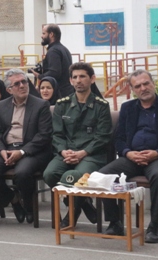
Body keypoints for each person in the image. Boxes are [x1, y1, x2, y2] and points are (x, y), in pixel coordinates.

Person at [98, 70, 158, 243]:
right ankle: (115, 222)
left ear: (153, 83)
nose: (143, 88)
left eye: (146, 83)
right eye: (137, 86)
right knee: (102, 176)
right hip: (132, 158)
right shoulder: (127, 107)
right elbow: (119, 138)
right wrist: (128, 153)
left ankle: (153, 227)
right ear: (132, 89)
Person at [43, 62, 112, 225]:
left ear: (92, 79)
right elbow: (57, 134)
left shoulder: (101, 106)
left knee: (75, 176)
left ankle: (72, 213)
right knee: (50, 174)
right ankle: (84, 201)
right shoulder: (62, 104)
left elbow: (102, 137)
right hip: (67, 153)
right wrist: (63, 151)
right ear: (70, 81)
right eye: (75, 77)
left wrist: (83, 153)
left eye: (82, 76)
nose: (78, 80)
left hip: (91, 155)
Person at [0, 69, 53, 224]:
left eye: (24, 82)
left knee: (23, 172)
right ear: (9, 90)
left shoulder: (41, 105)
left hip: (31, 150)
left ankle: (28, 205)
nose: (22, 86)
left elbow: (44, 135)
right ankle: (13, 199)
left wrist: (22, 152)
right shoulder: (2, 106)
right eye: (17, 84)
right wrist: (1, 150)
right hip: (7, 149)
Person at [39, 24, 73, 98]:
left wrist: (40, 76)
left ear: (51, 34)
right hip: (67, 91)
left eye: (44, 33)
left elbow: (55, 72)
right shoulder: (64, 49)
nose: (41, 36)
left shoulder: (53, 51)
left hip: (60, 93)